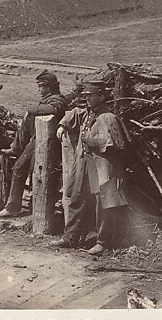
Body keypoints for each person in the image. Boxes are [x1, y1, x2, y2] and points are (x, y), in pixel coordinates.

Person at [54, 81, 131, 255]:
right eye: (86, 96)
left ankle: (102, 242)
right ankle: (69, 238)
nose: (87, 99)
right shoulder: (87, 113)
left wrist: (89, 138)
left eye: (91, 96)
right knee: (77, 197)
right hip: (85, 163)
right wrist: (62, 125)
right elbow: (74, 112)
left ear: (102, 97)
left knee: (103, 204)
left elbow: (115, 144)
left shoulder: (107, 117)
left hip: (102, 165)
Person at [0, 71, 68, 218]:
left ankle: (13, 208)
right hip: (37, 140)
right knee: (25, 169)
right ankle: (15, 148)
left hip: (46, 142)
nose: (39, 89)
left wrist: (31, 109)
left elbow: (55, 109)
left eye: (41, 86)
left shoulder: (57, 100)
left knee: (20, 168)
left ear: (49, 87)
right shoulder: (48, 99)